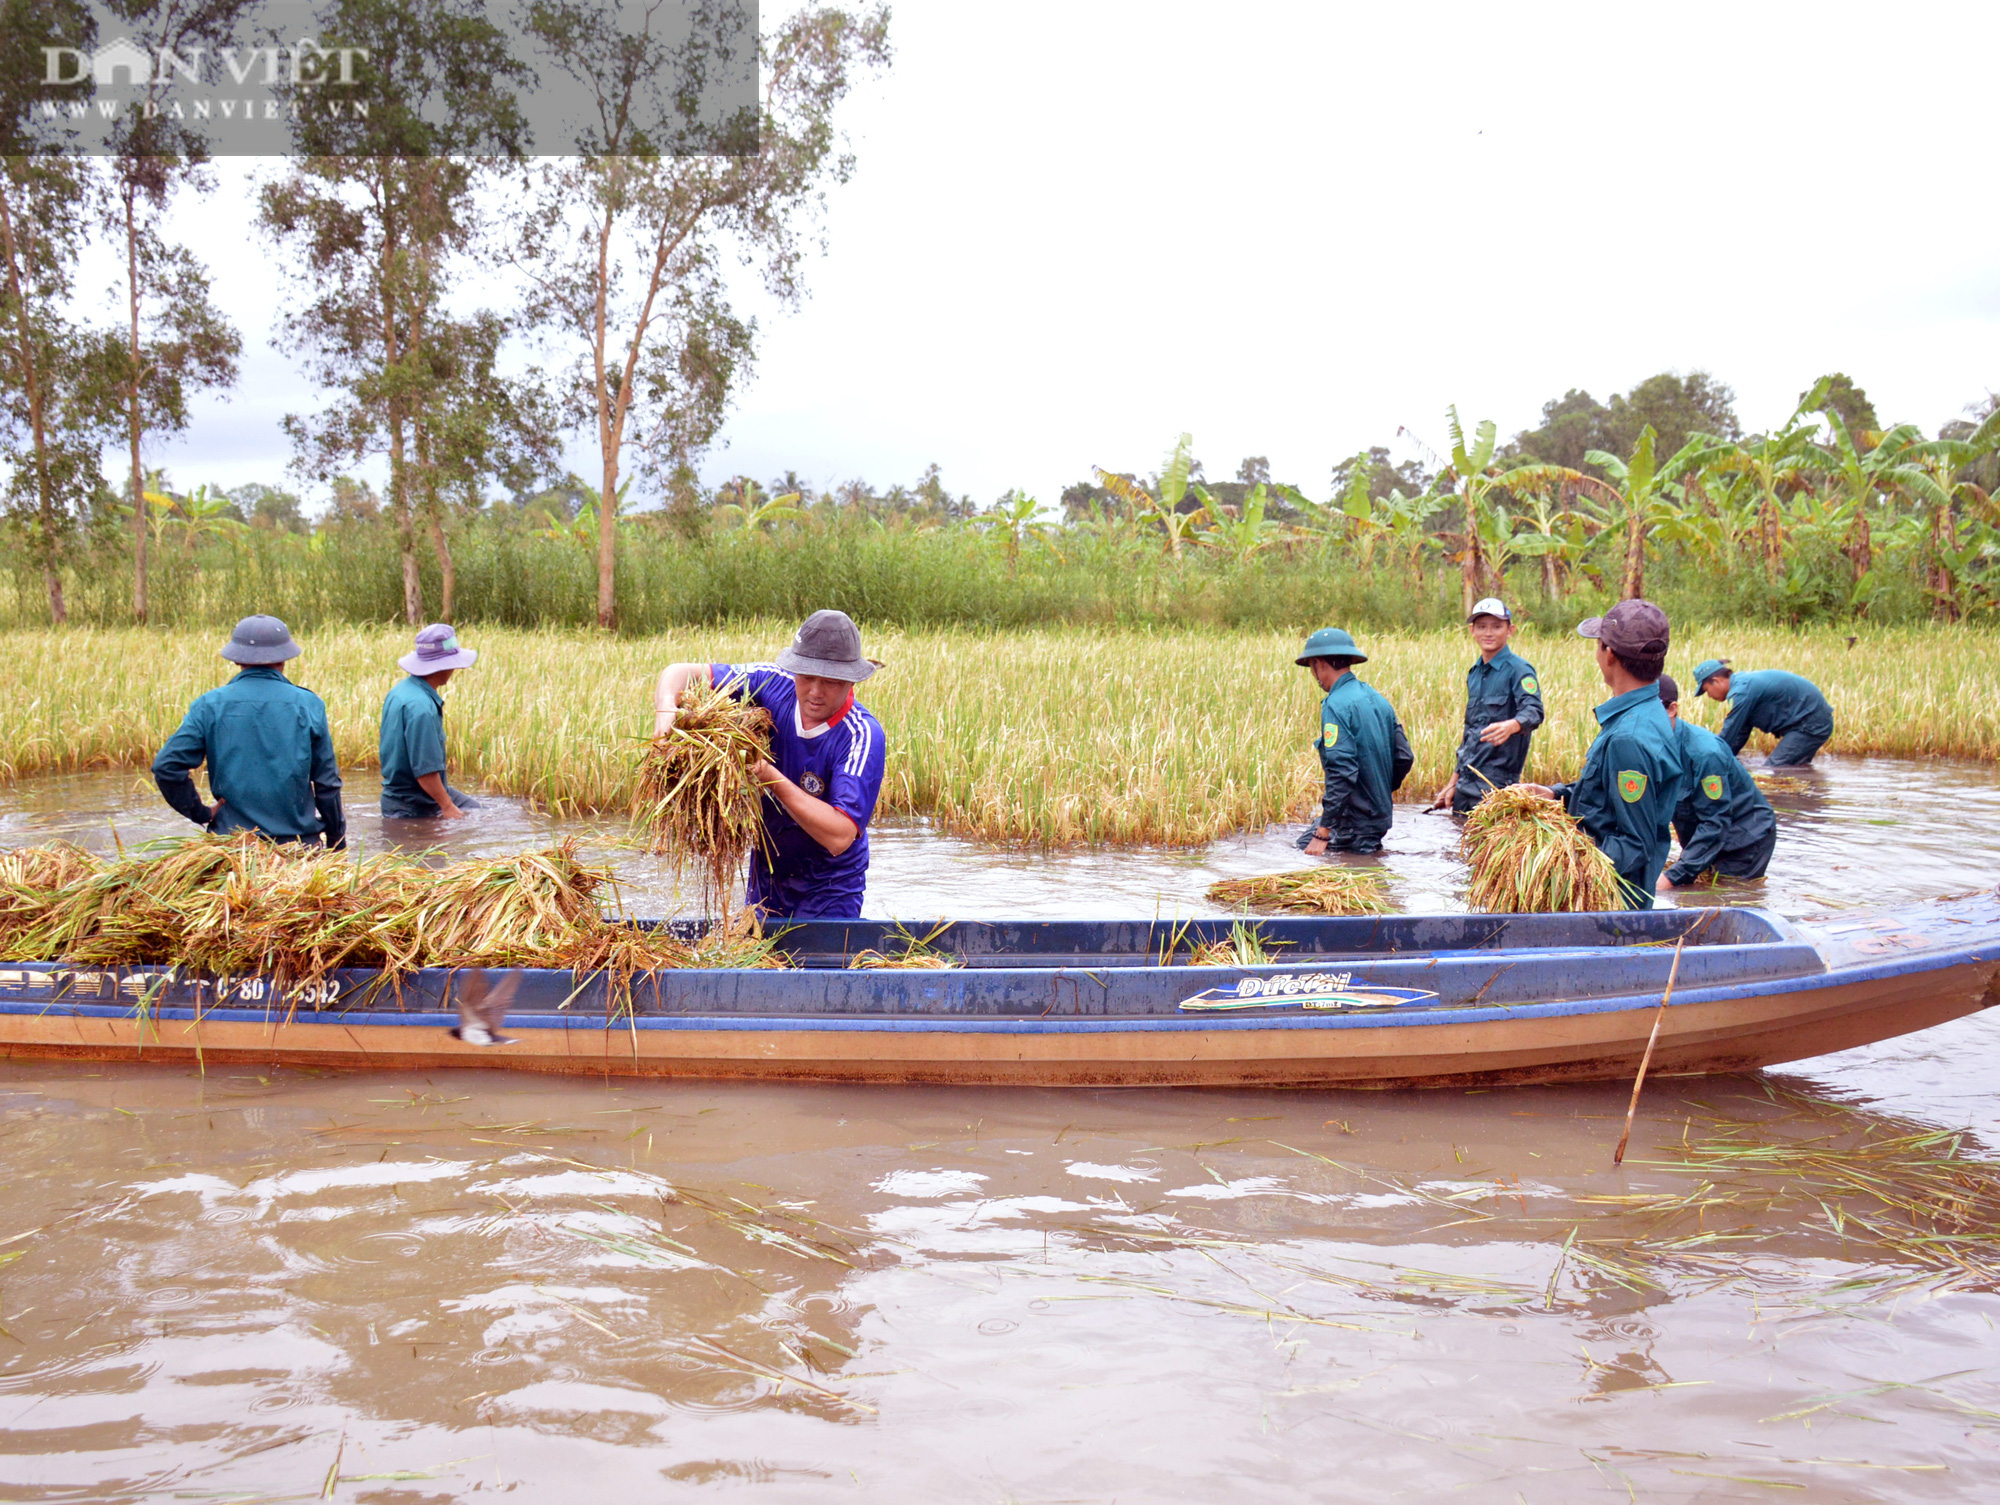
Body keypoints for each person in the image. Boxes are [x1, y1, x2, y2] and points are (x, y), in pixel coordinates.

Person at [651, 609, 887, 920]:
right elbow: (679, 672)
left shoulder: (861, 736)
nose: (815, 691)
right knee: (758, 961)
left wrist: (768, 775)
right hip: (768, 878)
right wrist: (666, 709)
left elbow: (840, 835)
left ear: (850, 679)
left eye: (829, 681)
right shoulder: (774, 683)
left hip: (829, 892)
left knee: (820, 967)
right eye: (806, 677)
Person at [1515, 599, 1683, 908]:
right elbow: (1607, 800)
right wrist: (1555, 796)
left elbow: (1635, 844)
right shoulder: (1644, 714)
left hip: (1610, 906)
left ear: (1608, 654)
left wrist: (1558, 867)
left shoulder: (1629, 737)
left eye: (1598, 644)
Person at [152, 615, 345, 849]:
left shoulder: (209, 705)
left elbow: (166, 766)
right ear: (285, 658)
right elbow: (327, 784)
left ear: (236, 660)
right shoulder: (309, 705)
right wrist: (336, 841)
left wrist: (201, 813)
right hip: (297, 849)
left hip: (230, 851)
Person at [1292, 627, 1414, 856]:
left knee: (1299, 853)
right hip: (1379, 818)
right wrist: (1377, 791)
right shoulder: (1379, 700)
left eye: (1311, 667)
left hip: (1352, 823)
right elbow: (1405, 757)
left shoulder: (1336, 704)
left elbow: (1342, 771)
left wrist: (1322, 833)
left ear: (1319, 663)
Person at [1655, 674, 1777, 892]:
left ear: (1672, 710)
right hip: (1708, 835)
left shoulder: (1704, 754)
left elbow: (1715, 823)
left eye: (1650, 714)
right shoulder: (1650, 747)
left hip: (1744, 840)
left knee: (1725, 897)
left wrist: (1672, 877)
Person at [1428, 596, 1544, 815]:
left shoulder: (1519, 670)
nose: (1488, 633)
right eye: (1481, 627)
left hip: (1497, 787)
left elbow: (1534, 711)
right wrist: (1454, 781)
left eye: (1496, 626)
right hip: (1466, 784)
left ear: (1510, 630)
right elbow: (1470, 734)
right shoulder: (1475, 673)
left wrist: (1512, 725)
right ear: (1472, 631)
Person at [380, 624, 480, 820]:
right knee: (476, 822)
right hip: (413, 805)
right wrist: (447, 806)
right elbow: (425, 771)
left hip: (399, 797)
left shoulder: (400, 691)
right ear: (443, 665)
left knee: (479, 811)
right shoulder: (421, 709)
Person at [1693, 658, 1834, 768]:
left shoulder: (1742, 692)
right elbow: (1738, 736)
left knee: (1777, 768)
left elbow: (1729, 732)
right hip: (1808, 722)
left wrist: (1708, 759)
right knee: (1795, 767)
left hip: (1810, 723)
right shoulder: (1743, 687)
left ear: (1716, 681)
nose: (1709, 696)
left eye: (1706, 690)